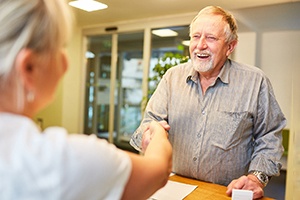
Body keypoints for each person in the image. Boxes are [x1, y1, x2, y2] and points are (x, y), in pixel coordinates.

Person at [0, 0, 172, 199]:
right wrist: (158, 131)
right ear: (29, 68)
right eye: (61, 47)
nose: (66, 63)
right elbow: (158, 171)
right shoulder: (64, 163)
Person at [130, 5, 286, 199]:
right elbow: (148, 124)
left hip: (225, 192)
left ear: (230, 46)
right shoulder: (172, 78)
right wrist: (147, 135)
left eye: (211, 38)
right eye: (196, 36)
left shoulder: (255, 82)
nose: (200, 45)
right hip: (174, 189)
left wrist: (256, 178)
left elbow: (270, 136)